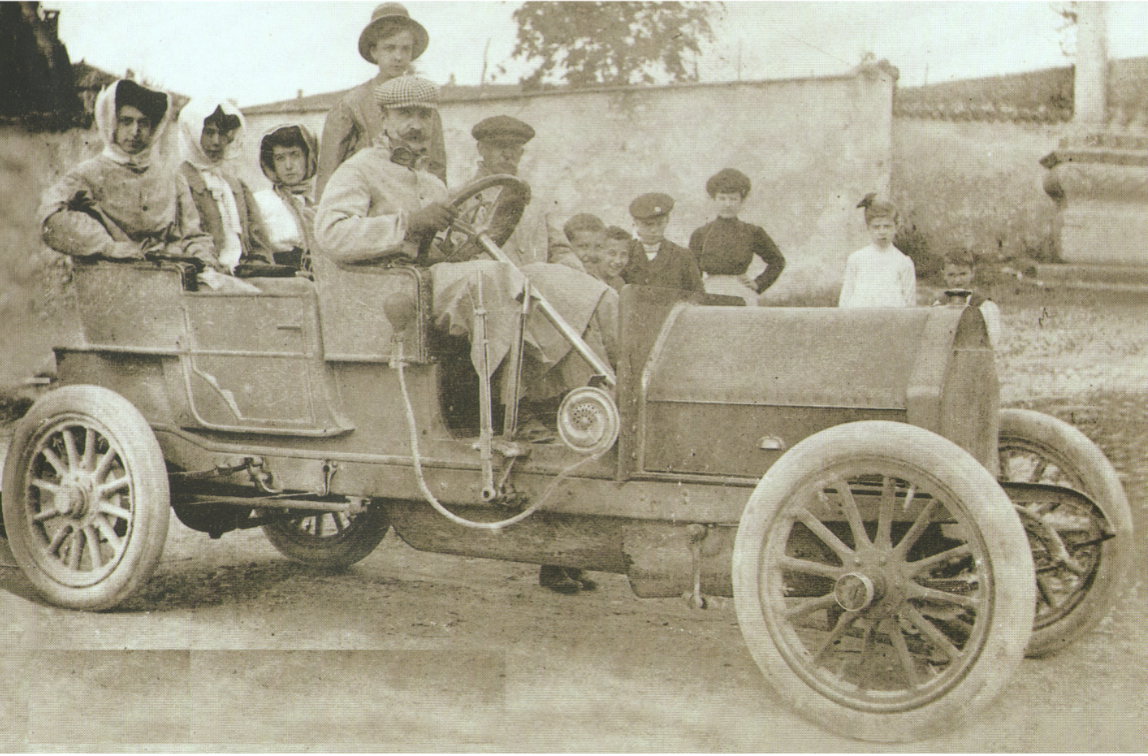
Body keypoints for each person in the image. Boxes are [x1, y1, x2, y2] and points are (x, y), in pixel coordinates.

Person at [315, 77, 614, 597]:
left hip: (437, 280)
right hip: (391, 291)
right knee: (492, 279)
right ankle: (510, 409)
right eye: (406, 115)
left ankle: (582, 397)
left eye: (424, 115)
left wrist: (454, 236)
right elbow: (332, 233)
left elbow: (452, 245)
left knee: (555, 280)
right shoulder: (359, 170)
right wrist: (407, 223)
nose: (416, 125)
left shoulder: (432, 182)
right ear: (385, 119)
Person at [39, 78, 216, 267]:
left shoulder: (171, 176)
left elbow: (192, 235)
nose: (135, 131)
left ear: (153, 128)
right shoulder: (87, 174)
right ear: (111, 123)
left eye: (143, 123)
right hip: (110, 272)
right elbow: (48, 216)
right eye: (126, 121)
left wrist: (205, 260)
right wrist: (107, 246)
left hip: (168, 271)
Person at [315, 2, 446, 197]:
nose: (398, 57)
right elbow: (329, 172)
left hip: (417, 202)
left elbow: (437, 167)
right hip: (366, 202)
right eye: (389, 48)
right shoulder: (351, 104)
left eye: (405, 49)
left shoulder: (423, 104)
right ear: (374, 51)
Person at [458, 115, 577, 270]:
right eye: (500, 146)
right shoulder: (462, 199)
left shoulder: (537, 203)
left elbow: (561, 251)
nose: (508, 155)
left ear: (521, 152)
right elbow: (455, 255)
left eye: (514, 148)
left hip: (534, 283)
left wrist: (575, 274)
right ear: (481, 149)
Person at [178, 99, 273, 273]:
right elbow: (182, 241)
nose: (216, 141)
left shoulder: (234, 185)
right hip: (203, 272)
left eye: (222, 134)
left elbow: (258, 239)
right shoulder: (178, 182)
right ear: (191, 133)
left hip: (243, 270)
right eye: (208, 133)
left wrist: (259, 265)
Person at [688, 168, 785, 306]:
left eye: (733, 199)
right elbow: (692, 271)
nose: (727, 204)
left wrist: (758, 283)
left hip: (740, 292)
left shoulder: (752, 232)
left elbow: (777, 261)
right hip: (709, 292)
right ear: (713, 200)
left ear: (742, 201)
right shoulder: (701, 234)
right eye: (722, 198)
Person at [253, 123, 319, 271]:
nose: (288, 166)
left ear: (308, 157)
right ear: (271, 164)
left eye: (295, 155)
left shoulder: (321, 198)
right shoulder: (261, 202)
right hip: (283, 275)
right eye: (280, 158)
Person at [837, 194, 916, 308]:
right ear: (868, 228)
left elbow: (910, 303)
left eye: (887, 226)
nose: (882, 232)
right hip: (860, 316)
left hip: (892, 317)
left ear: (896, 227)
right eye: (876, 227)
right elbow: (845, 299)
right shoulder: (857, 259)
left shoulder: (903, 262)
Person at [620, 192, 703, 293]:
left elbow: (697, 295)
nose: (654, 230)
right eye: (648, 224)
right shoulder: (625, 253)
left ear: (667, 220)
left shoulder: (683, 257)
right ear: (636, 223)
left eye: (659, 224)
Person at [933, 248, 1001, 348]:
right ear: (944, 275)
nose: (957, 280)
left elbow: (993, 343)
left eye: (963, 274)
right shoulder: (938, 306)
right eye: (951, 275)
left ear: (972, 273)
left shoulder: (986, 307)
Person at [598, 226, 631, 291]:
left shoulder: (620, 284)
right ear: (599, 252)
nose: (618, 261)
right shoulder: (589, 279)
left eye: (623, 255)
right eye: (612, 253)